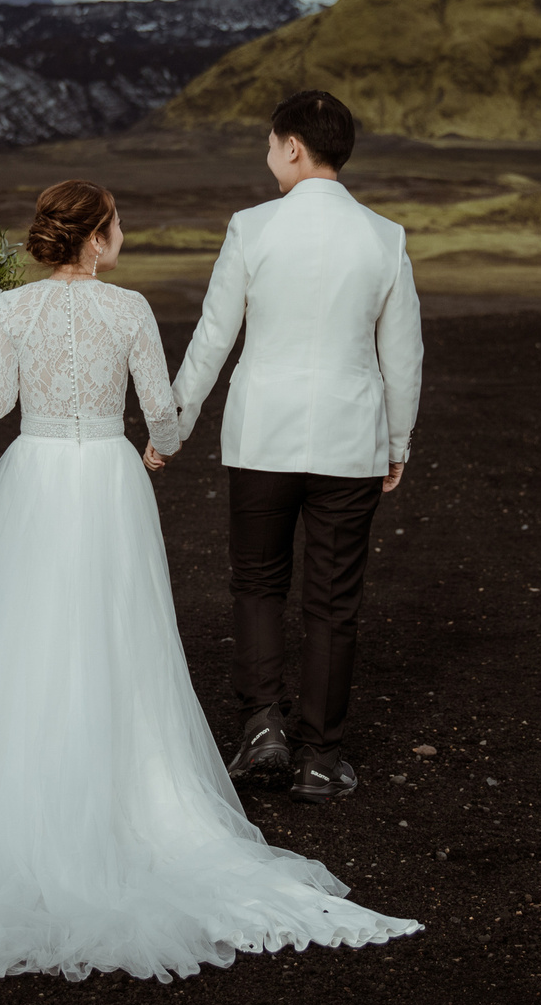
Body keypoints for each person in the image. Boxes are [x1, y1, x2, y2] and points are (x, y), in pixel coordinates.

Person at [0, 178, 420, 988]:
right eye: (118, 224)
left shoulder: (11, 308)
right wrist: (162, 444)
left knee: (21, 631)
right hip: (105, 476)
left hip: (33, 478)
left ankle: (17, 786)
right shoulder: (129, 309)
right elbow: (162, 415)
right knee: (113, 631)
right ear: (95, 238)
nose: (123, 235)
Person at [161, 91, 423, 806]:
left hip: (262, 437)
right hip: (351, 439)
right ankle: (320, 758)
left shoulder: (252, 227)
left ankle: (261, 729)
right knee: (334, 601)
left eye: (271, 144)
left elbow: (213, 336)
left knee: (257, 584)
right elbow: (403, 355)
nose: (268, 155)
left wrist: (173, 425)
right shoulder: (385, 237)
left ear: (294, 148)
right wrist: (397, 439)